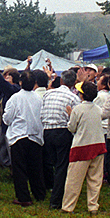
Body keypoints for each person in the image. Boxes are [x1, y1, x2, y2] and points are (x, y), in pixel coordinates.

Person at [2, 69, 45, 206]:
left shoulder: (15, 98)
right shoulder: (38, 98)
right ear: (34, 84)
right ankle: (39, 193)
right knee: (36, 167)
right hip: (35, 135)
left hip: (19, 135)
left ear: (20, 82)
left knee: (19, 169)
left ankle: (23, 197)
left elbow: (7, 118)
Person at [62, 82, 106, 215]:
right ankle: (93, 206)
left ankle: (68, 206)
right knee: (95, 179)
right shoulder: (98, 109)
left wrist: (70, 116)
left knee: (74, 179)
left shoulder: (77, 109)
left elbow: (72, 128)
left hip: (81, 146)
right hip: (98, 144)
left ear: (82, 95)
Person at [41, 69, 79, 210]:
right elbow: (75, 119)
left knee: (51, 163)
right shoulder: (73, 98)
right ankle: (56, 200)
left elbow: (42, 112)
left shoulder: (48, 94)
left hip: (46, 130)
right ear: (74, 83)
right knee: (61, 166)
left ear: (61, 81)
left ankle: (51, 190)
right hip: (63, 131)